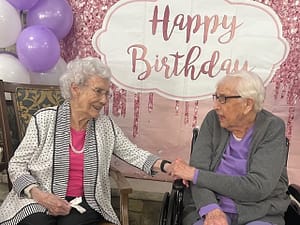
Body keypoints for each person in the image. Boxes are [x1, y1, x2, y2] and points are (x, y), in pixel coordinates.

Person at [0, 57, 171, 225]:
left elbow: (134, 153)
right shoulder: (44, 120)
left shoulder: (105, 126)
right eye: (98, 91)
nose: (104, 100)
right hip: (38, 198)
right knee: (37, 221)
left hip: (83, 202)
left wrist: (167, 166)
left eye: (106, 94)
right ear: (75, 89)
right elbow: (16, 165)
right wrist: (38, 194)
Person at [169, 70, 290, 225]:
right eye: (216, 97)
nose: (216, 106)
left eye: (223, 99)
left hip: (258, 213)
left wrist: (195, 174)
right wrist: (210, 209)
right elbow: (197, 173)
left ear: (247, 104)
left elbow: (258, 187)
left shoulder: (272, 127)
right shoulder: (213, 120)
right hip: (210, 206)